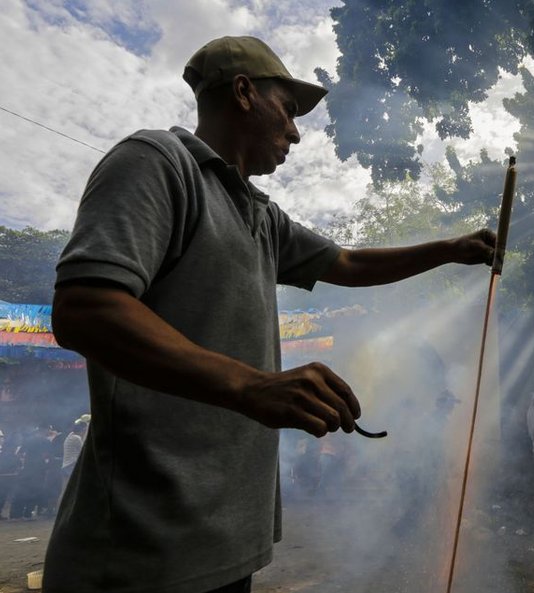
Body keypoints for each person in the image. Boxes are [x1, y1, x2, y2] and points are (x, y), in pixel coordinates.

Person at [45, 35, 496, 593]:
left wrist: (449, 250)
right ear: (243, 93)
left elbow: (349, 262)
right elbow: (84, 309)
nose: (295, 131)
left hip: (229, 543)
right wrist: (251, 384)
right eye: (287, 110)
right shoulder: (157, 162)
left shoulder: (261, 215)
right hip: (144, 552)